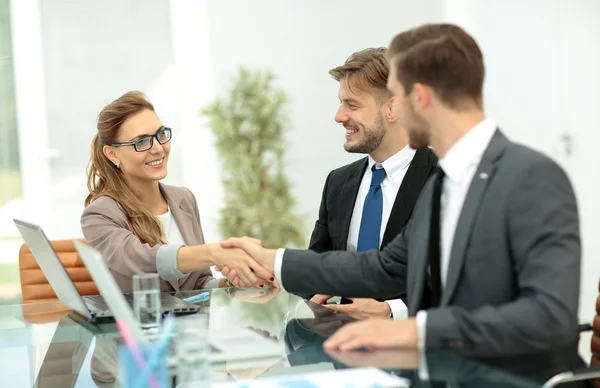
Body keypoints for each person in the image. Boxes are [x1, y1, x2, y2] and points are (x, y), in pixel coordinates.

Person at [221, 24, 581, 356]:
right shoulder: (444, 184)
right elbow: (383, 269)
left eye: (397, 94)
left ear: (418, 97)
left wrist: (412, 331)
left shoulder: (532, 177)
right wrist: (273, 261)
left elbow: (549, 318)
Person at [81, 91, 272, 293]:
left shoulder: (183, 199)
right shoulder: (99, 214)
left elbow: (198, 283)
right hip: (139, 325)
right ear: (112, 154)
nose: (158, 148)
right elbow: (140, 261)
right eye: (141, 142)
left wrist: (234, 285)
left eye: (160, 135)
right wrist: (213, 253)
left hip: (191, 325)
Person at [306, 47, 437, 320]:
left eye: (351, 105)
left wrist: (390, 310)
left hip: (418, 350)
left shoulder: (445, 179)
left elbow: (459, 279)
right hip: (343, 351)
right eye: (341, 103)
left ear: (392, 108)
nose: (339, 116)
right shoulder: (338, 183)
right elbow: (318, 267)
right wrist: (271, 273)